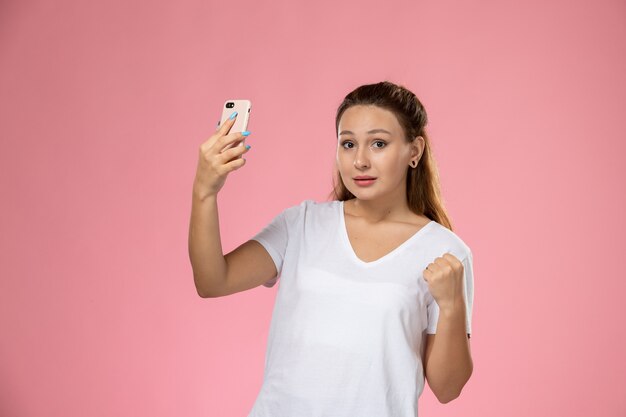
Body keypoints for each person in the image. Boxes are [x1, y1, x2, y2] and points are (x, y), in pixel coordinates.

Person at [188, 80, 474, 417]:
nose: (360, 161)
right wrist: (204, 192)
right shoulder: (302, 224)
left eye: (378, 143)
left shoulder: (445, 252)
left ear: (415, 151)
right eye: (348, 144)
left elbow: (448, 388)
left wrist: (452, 305)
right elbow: (212, 281)